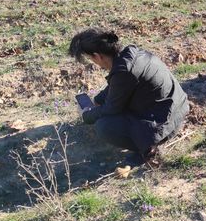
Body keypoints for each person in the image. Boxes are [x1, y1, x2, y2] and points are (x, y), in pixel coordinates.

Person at [69, 28, 189, 165]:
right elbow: (117, 87)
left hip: (166, 126)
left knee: (104, 127)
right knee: (111, 111)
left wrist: (87, 115)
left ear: (97, 56)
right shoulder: (131, 53)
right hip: (178, 110)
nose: (94, 62)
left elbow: (111, 108)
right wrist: (97, 100)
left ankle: (145, 149)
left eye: (91, 59)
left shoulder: (123, 72)